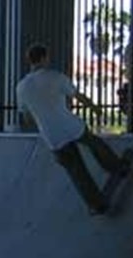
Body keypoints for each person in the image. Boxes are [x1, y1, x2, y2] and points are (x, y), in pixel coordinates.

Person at [16, 43, 128, 215]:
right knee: (96, 144)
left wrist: (42, 121)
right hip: (71, 126)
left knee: (76, 171)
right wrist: (95, 109)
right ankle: (116, 167)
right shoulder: (55, 77)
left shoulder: (22, 87)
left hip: (52, 136)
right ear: (44, 58)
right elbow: (78, 96)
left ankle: (96, 204)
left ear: (30, 61)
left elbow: (26, 117)